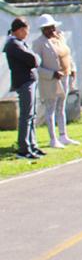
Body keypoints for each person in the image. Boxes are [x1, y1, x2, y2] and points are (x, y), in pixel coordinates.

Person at [33, 13, 80, 148]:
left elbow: (67, 55)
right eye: (48, 28)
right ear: (43, 30)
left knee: (61, 108)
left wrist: (72, 68)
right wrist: (51, 74)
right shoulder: (39, 43)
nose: (51, 30)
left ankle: (63, 135)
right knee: (50, 109)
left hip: (64, 77)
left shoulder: (60, 38)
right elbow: (37, 66)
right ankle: (53, 139)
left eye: (52, 27)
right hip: (50, 81)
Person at [4, 17, 43, 160]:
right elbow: (34, 60)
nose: (27, 33)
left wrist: (36, 58)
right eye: (26, 30)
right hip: (24, 82)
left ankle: (32, 144)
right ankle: (23, 148)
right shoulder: (13, 44)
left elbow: (34, 59)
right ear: (20, 30)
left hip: (30, 81)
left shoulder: (20, 43)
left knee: (31, 116)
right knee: (26, 116)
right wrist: (36, 58)